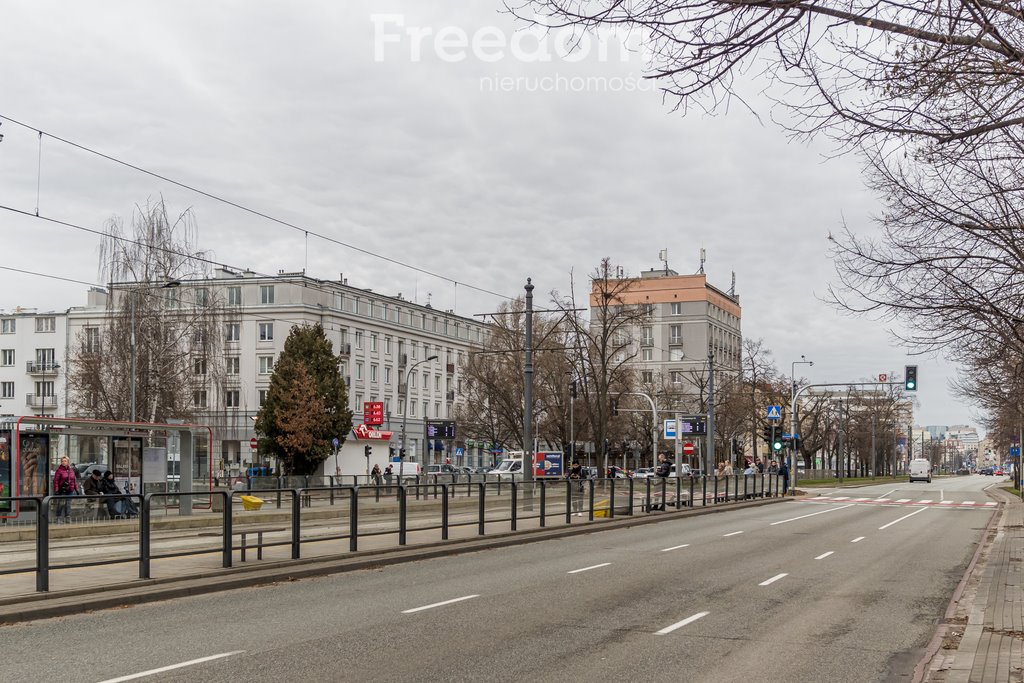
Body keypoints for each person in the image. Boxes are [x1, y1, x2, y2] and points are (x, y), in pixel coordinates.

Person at [52, 456, 78, 522]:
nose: (63, 462)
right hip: (62, 489)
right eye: (62, 461)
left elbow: (74, 480)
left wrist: (76, 489)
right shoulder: (59, 470)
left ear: (68, 462)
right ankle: (58, 517)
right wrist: (56, 489)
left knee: (68, 503)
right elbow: (56, 481)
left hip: (70, 489)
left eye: (65, 461)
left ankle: (68, 517)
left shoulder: (71, 470)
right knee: (61, 503)